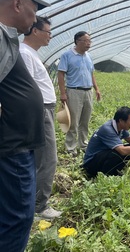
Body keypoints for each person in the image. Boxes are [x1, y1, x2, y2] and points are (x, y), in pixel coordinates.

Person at [0, 0, 50, 252]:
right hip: (11, 146)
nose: (35, 17)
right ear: (17, 4)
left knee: (12, 214)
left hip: (17, 144)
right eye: (33, 9)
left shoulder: (7, 38)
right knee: (18, 216)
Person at [20, 16, 62, 219]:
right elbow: (25, 88)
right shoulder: (24, 53)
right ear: (35, 31)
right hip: (40, 110)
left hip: (45, 109)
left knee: (41, 158)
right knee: (47, 158)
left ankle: (34, 203)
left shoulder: (30, 53)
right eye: (48, 32)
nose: (50, 37)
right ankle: (39, 206)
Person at [57, 31, 101, 156]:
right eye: (86, 41)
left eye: (90, 41)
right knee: (73, 121)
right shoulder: (67, 55)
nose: (88, 44)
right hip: (74, 91)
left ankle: (83, 145)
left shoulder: (88, 56)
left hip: (88, 91)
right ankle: (71, 148)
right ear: (77, 41)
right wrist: (63, 93)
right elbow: (61, 74)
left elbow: (91, 73)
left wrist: (96, 89)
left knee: (85, 121)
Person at [82, 106, 130, 177]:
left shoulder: (119, 126)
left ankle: (114, 171)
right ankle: (107, 174)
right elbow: (123, 151)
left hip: (101, 156)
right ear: (121, 121)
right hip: (90, 163)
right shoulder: (108, 129)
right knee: (119, 152)